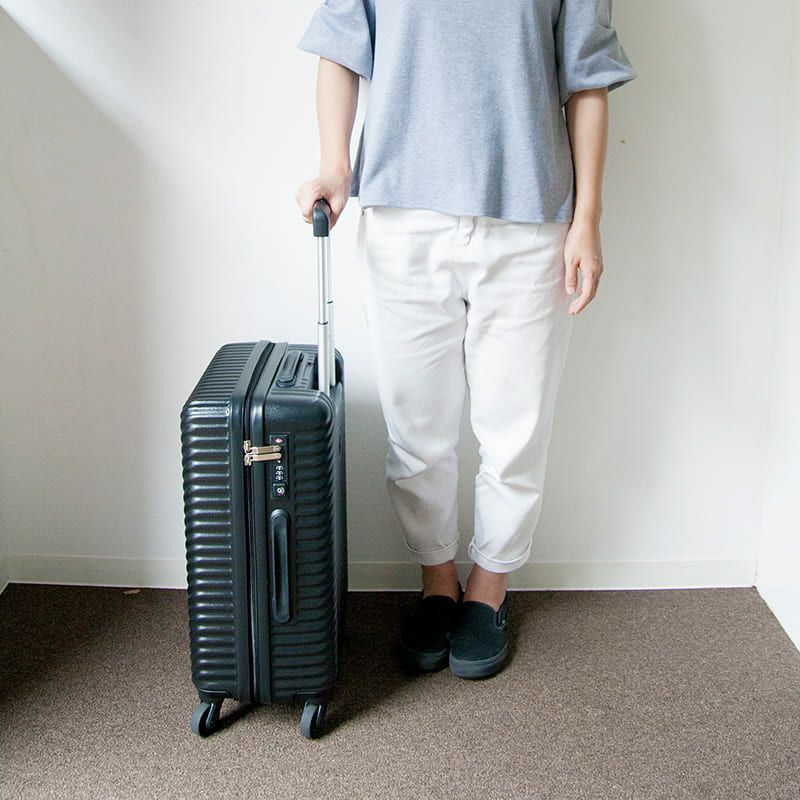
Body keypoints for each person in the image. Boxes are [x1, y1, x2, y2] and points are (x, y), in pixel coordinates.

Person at [295, 0, 636, 679]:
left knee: (516, 428)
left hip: (530, 220)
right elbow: (341, 46)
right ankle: (437, 582)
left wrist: (588, 219)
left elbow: (587, 77)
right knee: (415, 428)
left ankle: (489, 589)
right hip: (402, 218)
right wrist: (335, 166)